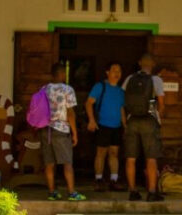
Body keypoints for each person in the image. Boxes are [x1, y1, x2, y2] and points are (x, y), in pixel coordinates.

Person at [122, 53, 166, 202]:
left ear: (139, 63)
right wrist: (158, 118)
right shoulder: (156, 80)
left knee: (131, 158)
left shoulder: (129, 79)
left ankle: (132, 191)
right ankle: (152, 191)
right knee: (151, 157)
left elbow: (123, 102)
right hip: (149, 120)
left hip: (132, 120)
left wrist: (125, 121)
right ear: (153, 64)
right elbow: (161, 102)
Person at [41, 62, 86, 201]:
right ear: (62, 74)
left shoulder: (44, 89)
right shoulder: (67, 90)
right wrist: (75, 133)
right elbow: (70, 113)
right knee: (67, 163)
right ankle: (72, 192)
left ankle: (52, 192)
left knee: (49, 163)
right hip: (61, 130)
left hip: (45, 130)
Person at [86, 61, 124, 192]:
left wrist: (125, 125)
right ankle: (98, 179)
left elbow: (122, 109)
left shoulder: (120, 91)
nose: (117, 73)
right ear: (107, 72)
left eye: (119, 71)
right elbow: (89, 103)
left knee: (114, 153)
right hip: (102, 124)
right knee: (101, 153)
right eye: (114, 70)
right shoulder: (100, 86)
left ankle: (114, 180)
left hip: (116, 126)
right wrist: (91, 120)